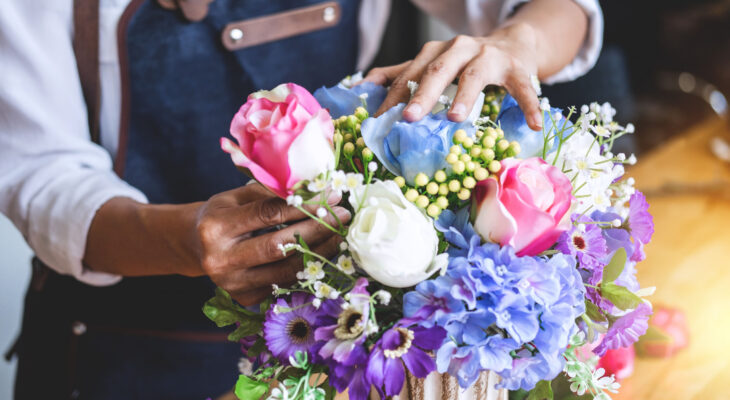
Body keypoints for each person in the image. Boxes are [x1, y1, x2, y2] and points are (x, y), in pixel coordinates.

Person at [0, 0, 602, 398]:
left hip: (323, 353)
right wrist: (182, 240)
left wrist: (518, 39)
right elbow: (40, 175)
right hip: (116, 351)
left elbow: (566, 10)